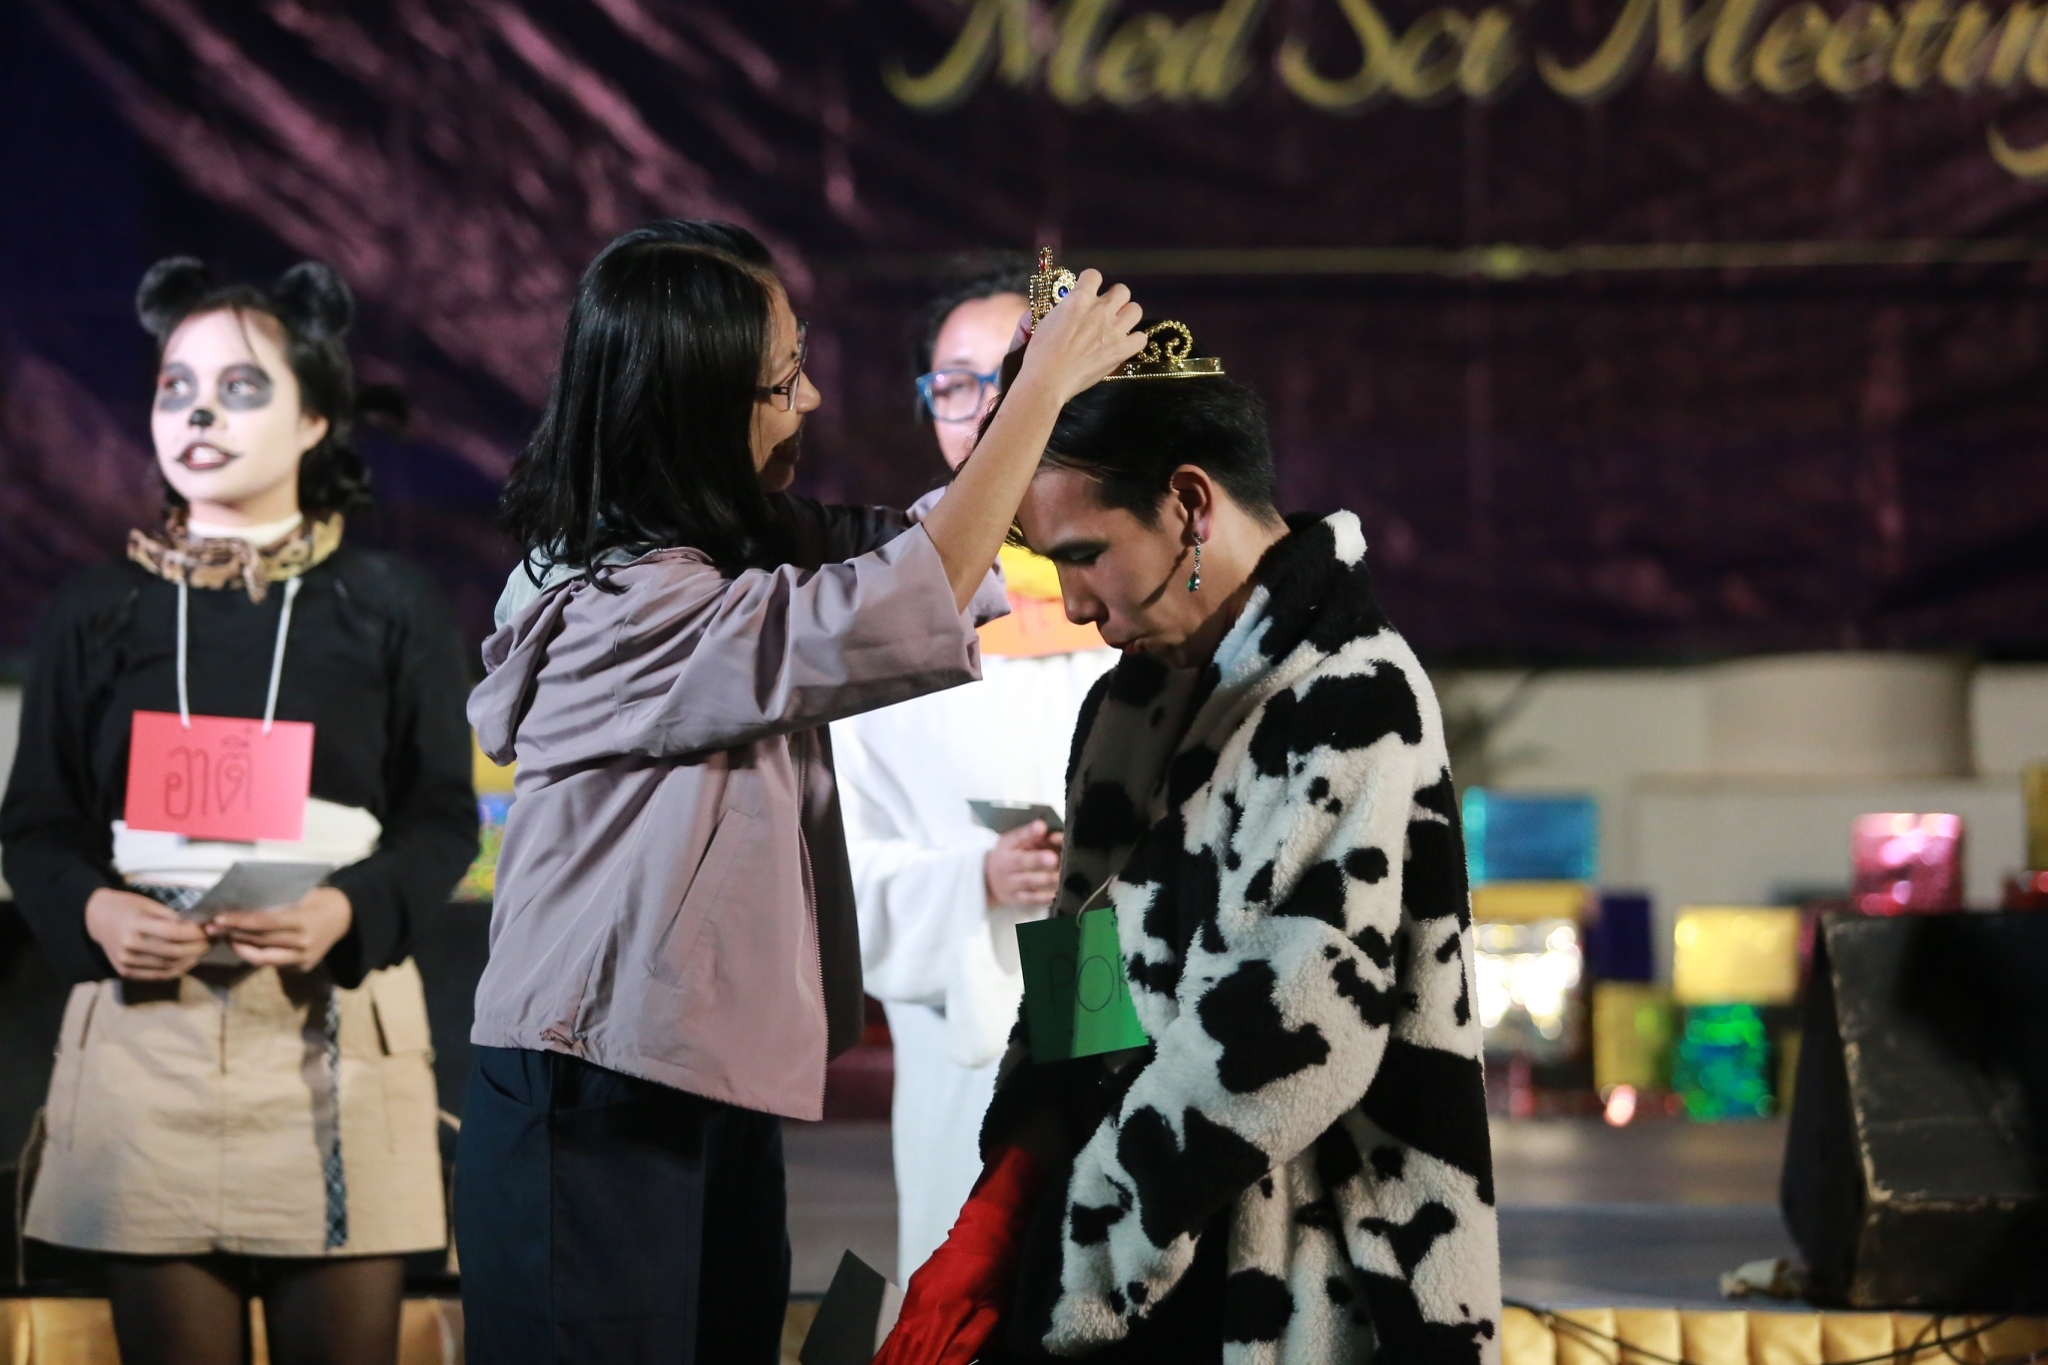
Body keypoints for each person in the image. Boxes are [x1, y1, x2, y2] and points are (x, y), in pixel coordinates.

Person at [454, 221, 1147, 1364]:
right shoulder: (620, 605)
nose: (812, 401)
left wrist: (1027, 416)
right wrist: (1035, 398)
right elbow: (887, 606)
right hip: (598, 1091)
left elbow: (910, 557)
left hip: (706, 1074)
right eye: (782, 382)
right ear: (692, 407)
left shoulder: (729, 551)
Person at [875, 255, 1501, 1365]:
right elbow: (1079, 986)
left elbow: (1286, 1036)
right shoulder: (1123, 707)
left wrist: (1070, 1256)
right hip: (1134, 1271)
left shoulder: (1351, 692)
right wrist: (1003, 1203)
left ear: (1191, 505)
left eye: (1084, 556)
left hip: (1307, 1281)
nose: (1072, 603)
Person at [0, 258, 478, 1365]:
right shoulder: (98, 609)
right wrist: (98, 914)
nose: (200, 414)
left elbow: (441, 819)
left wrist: (345, 911)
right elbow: (37, 825)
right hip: (146, 1037)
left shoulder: (389, 604)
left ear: (314, 418)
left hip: (330, 1035)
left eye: (241, 388)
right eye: (176, 387)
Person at [830, 266, 1118, 1280]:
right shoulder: (886, 612)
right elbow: (840, 865)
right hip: (965, 1017)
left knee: (1109, 1261)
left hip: (1118, 983)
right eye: (955, 383)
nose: (988, 407)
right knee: (975, 1272)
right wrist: (974, 879)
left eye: (1017, 375)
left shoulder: (1144, 585)